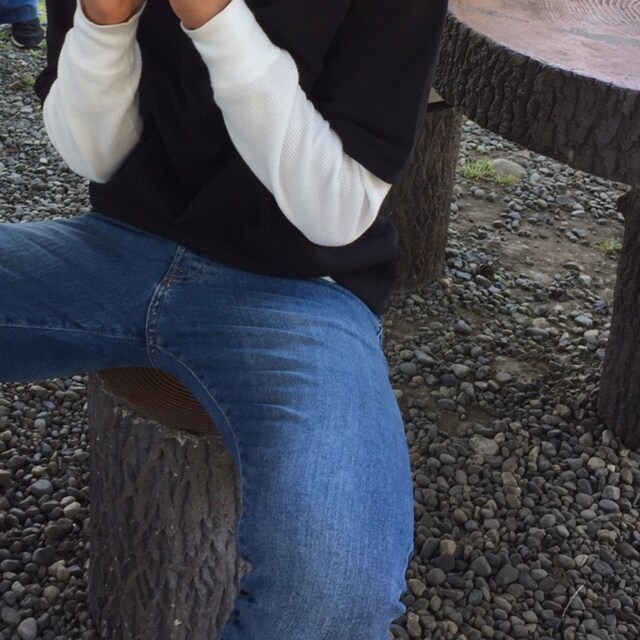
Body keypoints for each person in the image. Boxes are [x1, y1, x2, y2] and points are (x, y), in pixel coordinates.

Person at [1, 0, 447, 637]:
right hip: (121, 241)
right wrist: (104, 23)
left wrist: (213, 20)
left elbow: (337, 212)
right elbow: (96, 157)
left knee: (333, 593)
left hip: (297, 288)